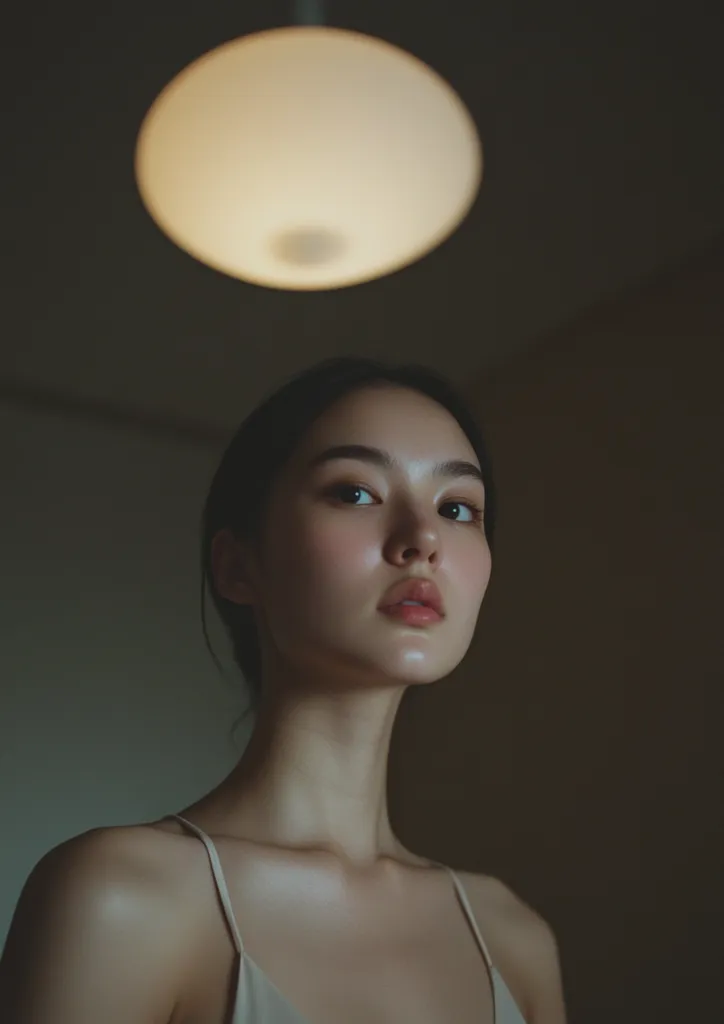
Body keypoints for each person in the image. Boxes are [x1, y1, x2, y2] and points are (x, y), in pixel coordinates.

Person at [0, 356, 567, 1023]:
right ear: (239, 565)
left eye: (457, 507)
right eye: (355, 492)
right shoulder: (118, 897)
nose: (423, 540)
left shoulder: (515, 937)